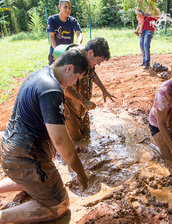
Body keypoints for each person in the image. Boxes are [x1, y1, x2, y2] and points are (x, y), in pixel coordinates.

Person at [0, 49, 89, 223]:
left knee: (36, 182)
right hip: (24, 157)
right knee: (60, 205)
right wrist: (81, 173)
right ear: (69, 68)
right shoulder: (52, 90)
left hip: (9, 148)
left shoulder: (40, 74)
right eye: (77, 78)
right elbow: (62, 142)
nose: (74, 83)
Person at [53, 38, 115, 142]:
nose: (99, 64)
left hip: (82, 105)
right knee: (75, 140)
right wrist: (82, 100)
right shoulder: (74, 58)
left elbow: (92, 73)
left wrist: (103, 89)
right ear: (90, 53)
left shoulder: (88, 59)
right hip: (69, 106)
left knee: (87, 134)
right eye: (99, 60)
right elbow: (63, 86)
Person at [47, 0, 83, 65]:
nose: (68, 10)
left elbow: (79, 34)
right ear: (59, 7)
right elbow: (51, 37)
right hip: (55, 51)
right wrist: (56, 51)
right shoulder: (52, 20)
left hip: (68, 52)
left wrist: (78, 44)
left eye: (69, 8)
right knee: (53, 72)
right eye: (65, 7)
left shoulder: (73, 21)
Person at [139, 0, 161, 70]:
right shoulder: (145, 8)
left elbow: (159, 17)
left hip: (150, 29)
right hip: (142, 29)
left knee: (146, 45)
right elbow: (140, 17)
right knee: (141, 45)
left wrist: (151, 15)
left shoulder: (155, 9)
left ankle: (147, 63)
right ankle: (144, 60)